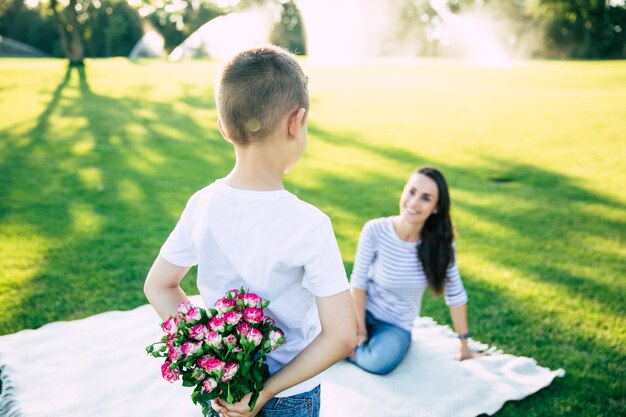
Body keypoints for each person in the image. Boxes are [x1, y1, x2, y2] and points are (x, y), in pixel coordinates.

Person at [143, 45, 357, 417]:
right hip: (289, 397)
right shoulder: (310, 224)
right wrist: (262, 392)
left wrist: (209, 358)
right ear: (296, 122)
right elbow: (342, 335)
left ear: (224, 127)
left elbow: (158, 285)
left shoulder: (202, 204)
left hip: (223, 396)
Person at [349, 166, 479, 375]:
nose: (413, 203)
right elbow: (358, 283)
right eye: (411, 192)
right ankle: (348, 347)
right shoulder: (375, 230)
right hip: (357, 310)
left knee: (379, 362)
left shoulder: (441, 246)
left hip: (394, 325)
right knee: (310, 334)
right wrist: (360, 329)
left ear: (436, 208)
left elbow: (456, 294)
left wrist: (464, 344)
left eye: (426, 198)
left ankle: (343, 351)